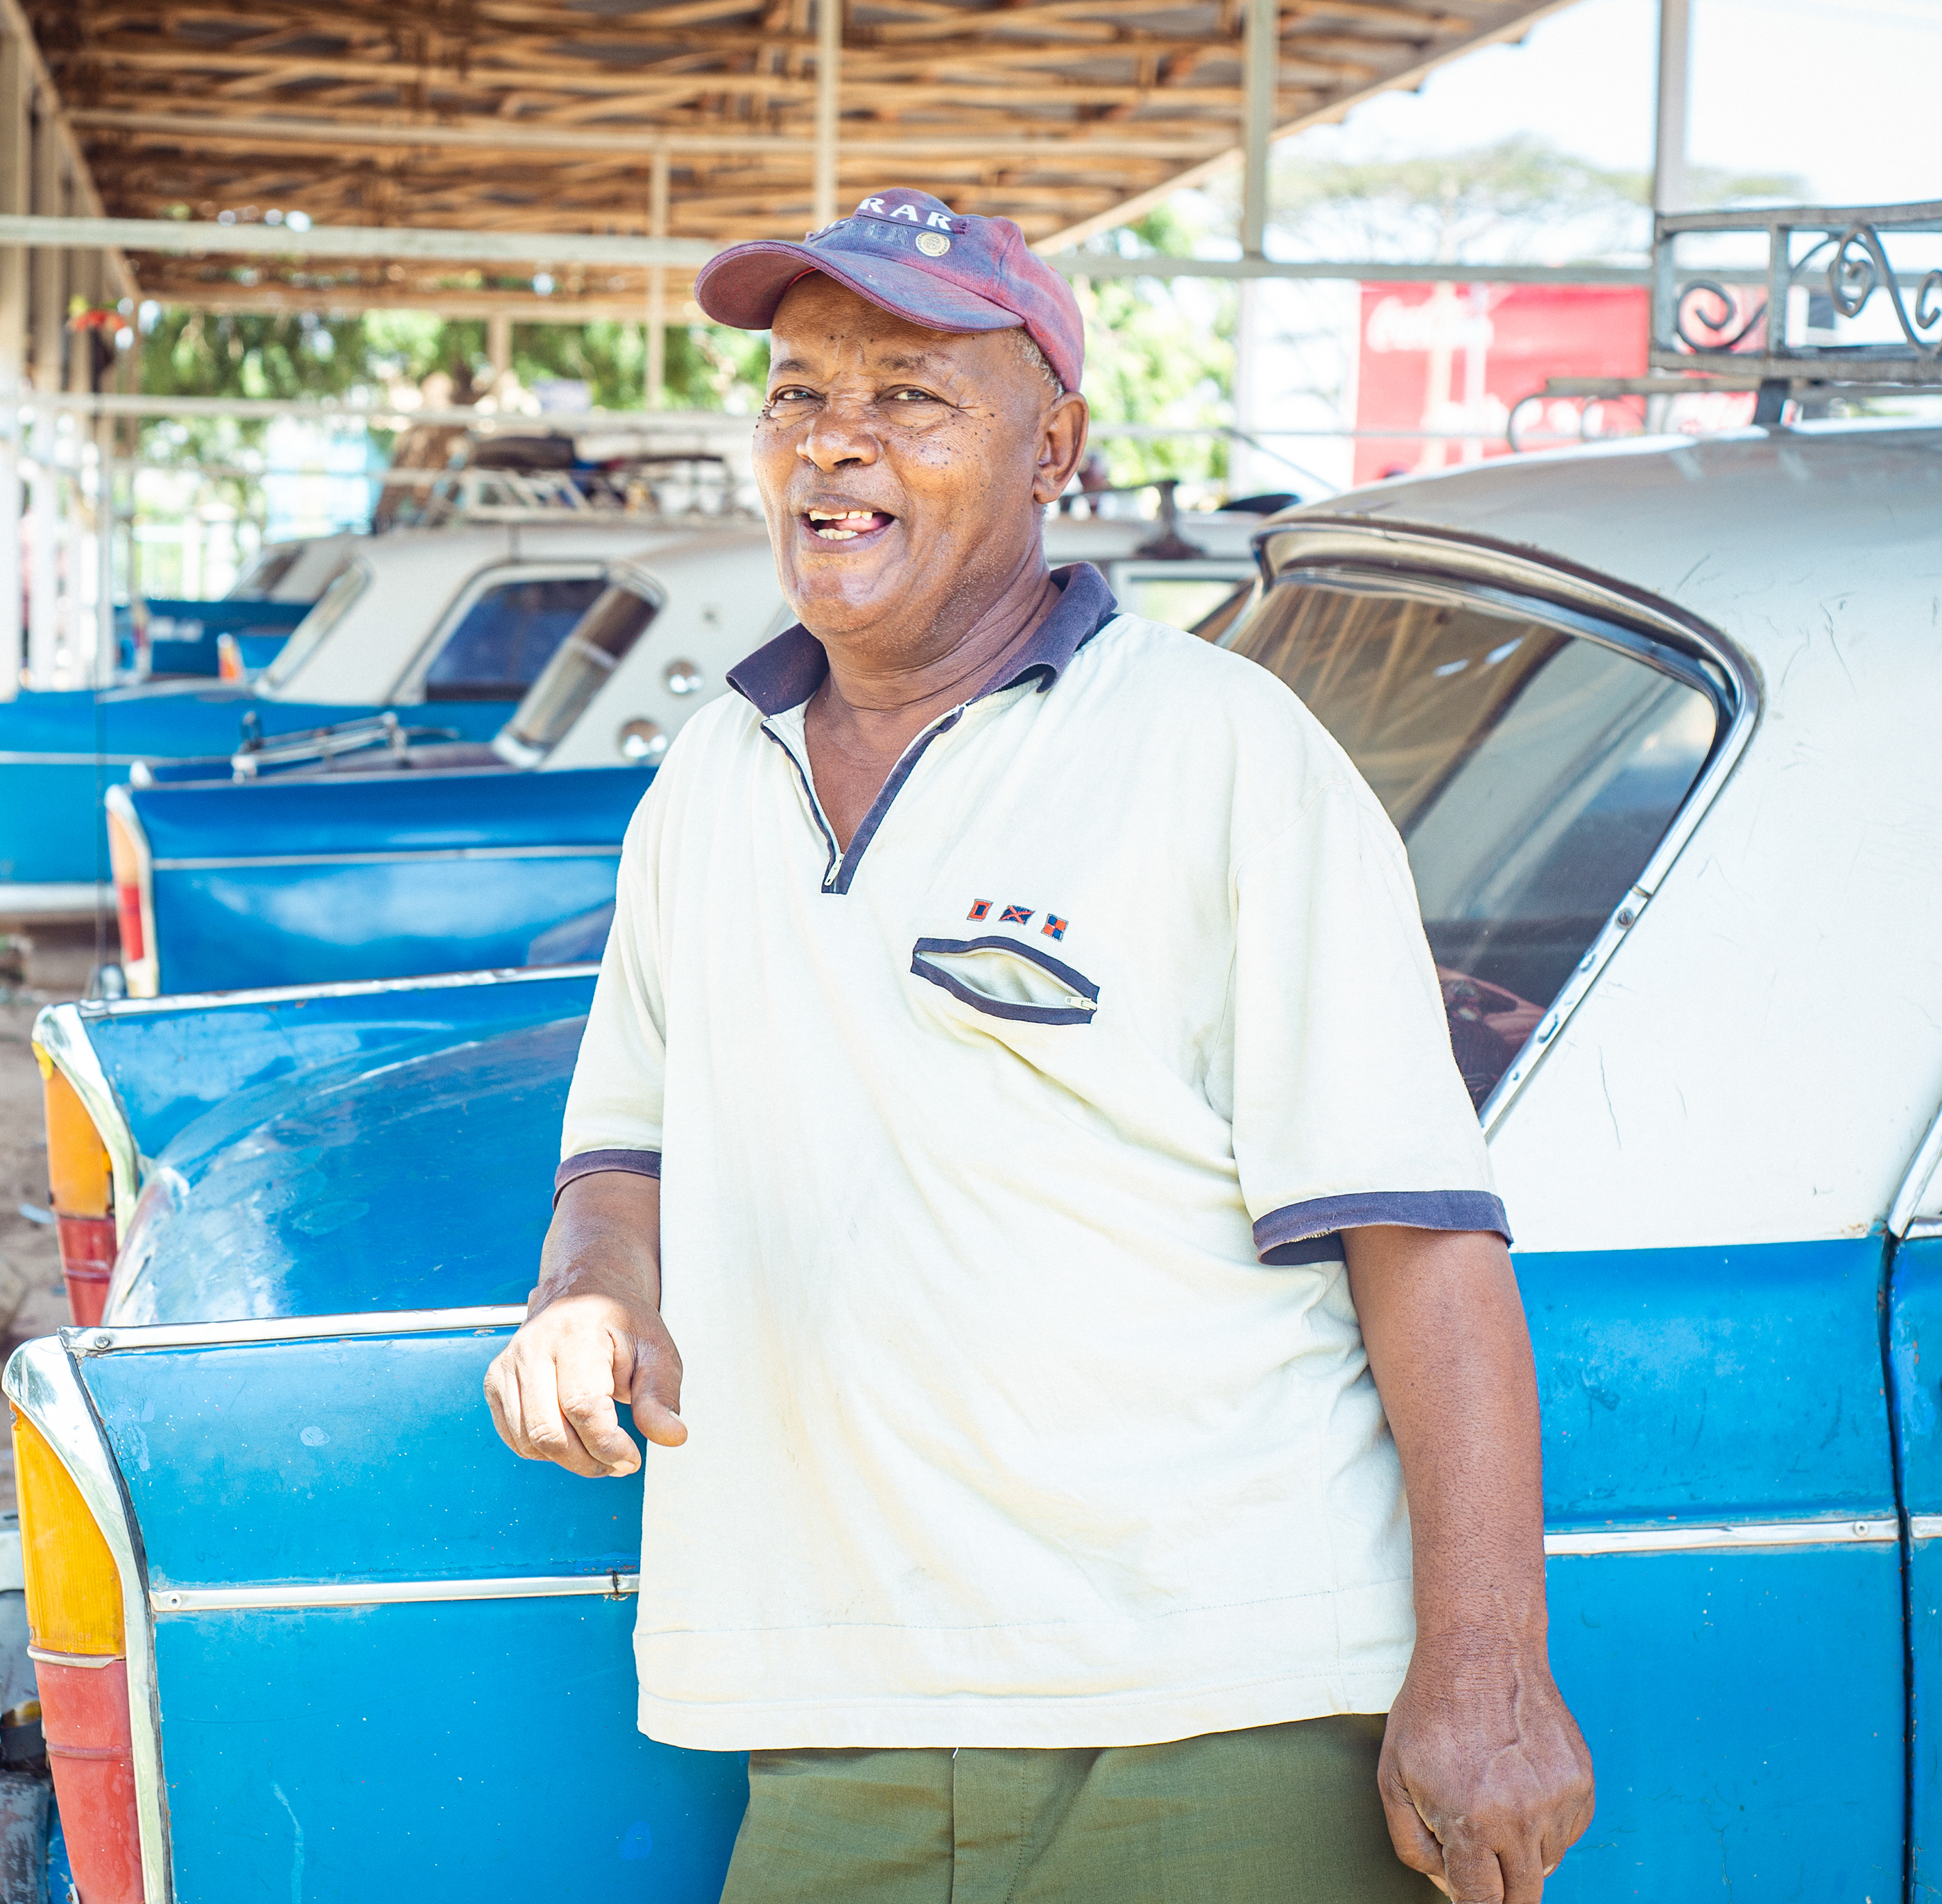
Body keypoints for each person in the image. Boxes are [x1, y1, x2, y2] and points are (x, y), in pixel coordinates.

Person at [483, 187, 1595, 1904]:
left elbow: (1422, 1238)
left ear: (1049, 445)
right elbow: (624, 1147)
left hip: (1207, 1703)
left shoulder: (1223, 750)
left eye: (910, 395)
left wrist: (1489, 1669)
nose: (834, 445)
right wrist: (589, 1291)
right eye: (797, 394)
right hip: (825, 1712)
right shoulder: (711, 774)